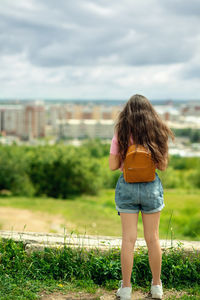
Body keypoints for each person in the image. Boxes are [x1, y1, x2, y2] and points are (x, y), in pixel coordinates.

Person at [109, 94, 175, 300]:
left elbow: (112, 166)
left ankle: (126, 289)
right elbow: (163, 166)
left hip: (127, 186)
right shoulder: (157, 132)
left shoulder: (121, 132)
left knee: (128, 240)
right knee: (152, 238)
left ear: (127, 114)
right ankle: (156, 286)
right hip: (151, 187)